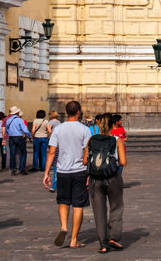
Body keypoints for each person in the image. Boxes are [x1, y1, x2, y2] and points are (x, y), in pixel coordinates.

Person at [43, 100, 91, 248]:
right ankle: (74, 240)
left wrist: (46, 173)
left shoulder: (58, 129)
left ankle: (64, 226)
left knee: (63, 201)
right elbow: (87, 152)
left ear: (66, 112)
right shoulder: (85, 130)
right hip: (79, 171)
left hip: (62, 171)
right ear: (78, 112)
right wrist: (89, 173)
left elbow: (51, 152)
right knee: (78, 205)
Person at [85, 114, 127, 253]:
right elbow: (123, 162)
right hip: (113, 178)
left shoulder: (91, 140)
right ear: (112, 126)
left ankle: (103, 244)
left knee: (99, 211)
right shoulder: (117, 140)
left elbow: (85, 161)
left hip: (95, 179)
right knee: (116, 206)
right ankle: (113, 237)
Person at [5, 105, 32, 175]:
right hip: (19, 137)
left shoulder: (8, 120)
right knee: (23, 152)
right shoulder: (20, 120)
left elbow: (6, 130)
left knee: (12, 153)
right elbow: (25, 130)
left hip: (11, 137)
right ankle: (21, 168)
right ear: (17, 113)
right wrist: (30, 136)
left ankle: (13, 168)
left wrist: (9, 133)